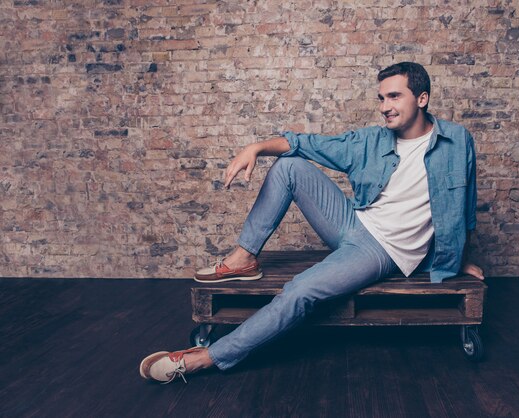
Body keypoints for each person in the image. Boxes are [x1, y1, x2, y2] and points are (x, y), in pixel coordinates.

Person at [140, 62, 484, 384]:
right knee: (290, 166)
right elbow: (304, 144)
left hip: (381, 252)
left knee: (300, 291)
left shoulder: (457, 141)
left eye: (394, 96)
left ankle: (206, 358)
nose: (384, 106)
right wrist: (256, 147)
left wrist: (459, 255)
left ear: (422, 99)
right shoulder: (372, 140)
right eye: (381, 97)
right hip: (353, 223)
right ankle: (244, 258)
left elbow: (463, 205)